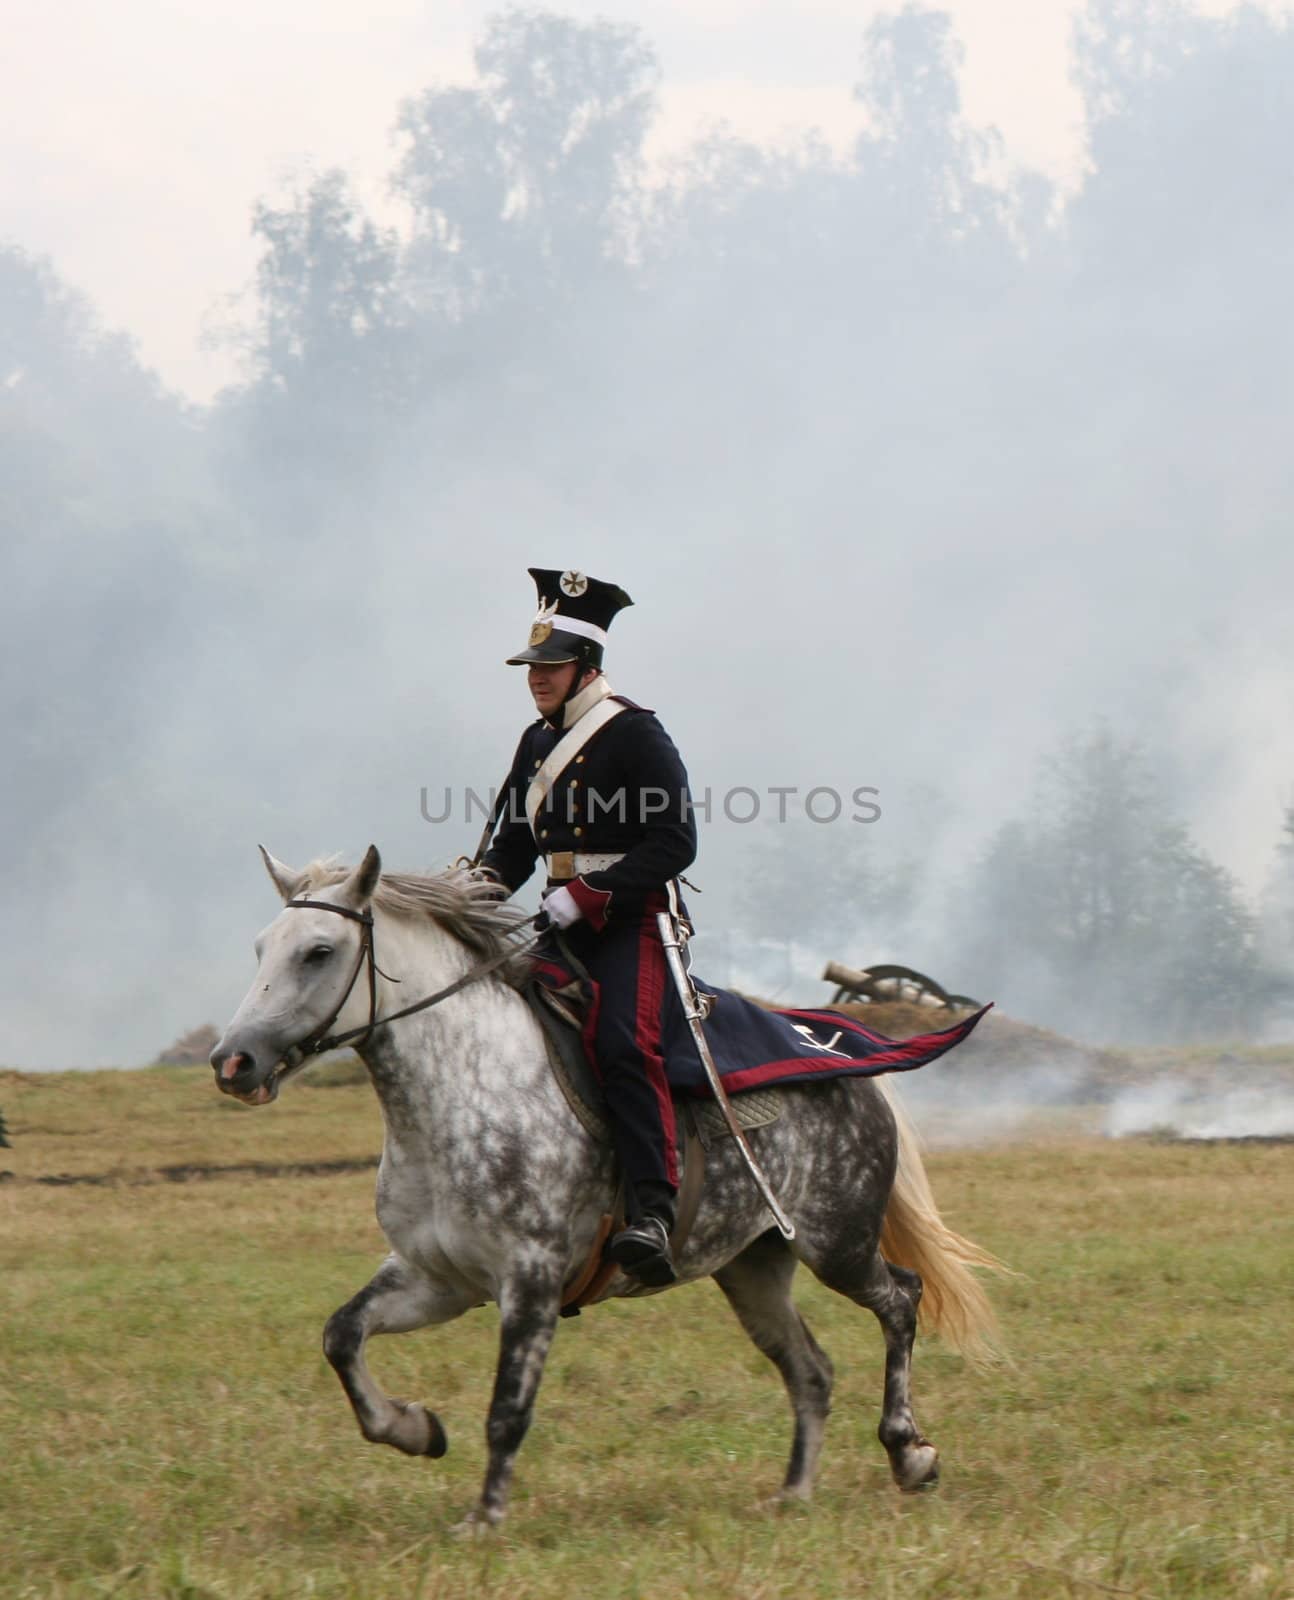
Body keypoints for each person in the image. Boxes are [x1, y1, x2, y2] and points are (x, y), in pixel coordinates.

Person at [481, 568, 697, 1286]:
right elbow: (510, 850)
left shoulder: (635, 733)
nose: (537, 678)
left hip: (630, 924)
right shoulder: (533, 744)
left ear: (588, 666)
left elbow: (675, 841)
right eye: (532, 666)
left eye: (551, 665)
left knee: (624, 1047)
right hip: (557, 924)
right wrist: (464, 898)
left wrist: (592, 893)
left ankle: (654, 1213)